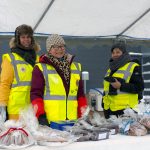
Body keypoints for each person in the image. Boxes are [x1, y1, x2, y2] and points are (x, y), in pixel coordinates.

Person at [30, 34, 87, 126]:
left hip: (72, 121)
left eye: (62, 46)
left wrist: (83, 114)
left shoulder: (76, 67)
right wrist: (40, 115)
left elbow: (80, 94)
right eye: (55, 47)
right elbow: (35, 94)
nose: (60, 49)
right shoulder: (40, 68)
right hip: (51, 121)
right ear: (49, 49)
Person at [0, 24, 40, 120]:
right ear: (18, 39)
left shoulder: (37, 59)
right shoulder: (10, 58)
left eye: (28, 37)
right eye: (23, 37)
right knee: (17, 134)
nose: (26, 40)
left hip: (33, 108)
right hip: (16, 109)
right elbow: (5, 83)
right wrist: (2, 105)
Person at [102, 42, 144, 119]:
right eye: (113, 52)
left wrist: (121, 86)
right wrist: (103, 105)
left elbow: (139, 87)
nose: (115, 54)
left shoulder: (133, 66)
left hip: (126, 111)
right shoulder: (110, 69)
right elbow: (106, 90)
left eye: (118, 52)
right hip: (110, 111)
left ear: (124, 53)